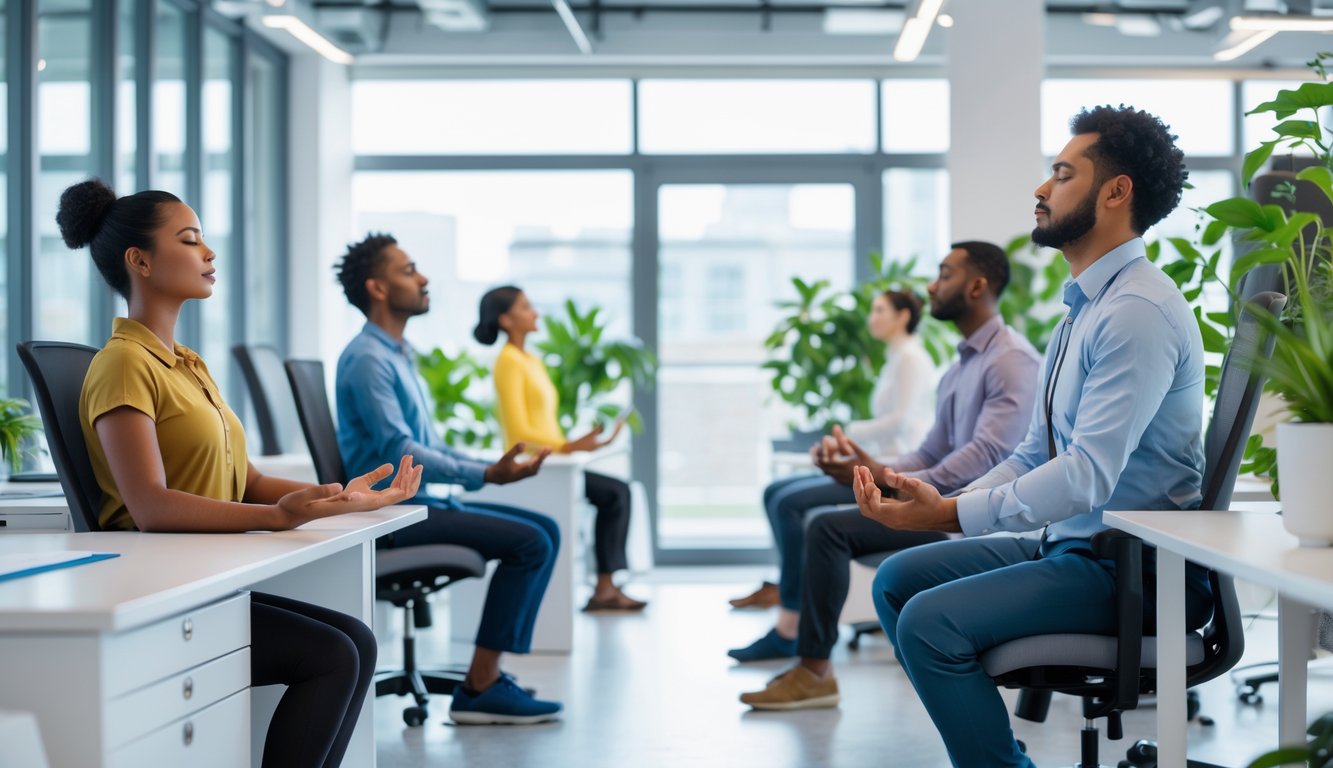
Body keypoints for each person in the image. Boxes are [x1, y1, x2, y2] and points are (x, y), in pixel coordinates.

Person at [855, 105, 1210, 767]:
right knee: (898, 580)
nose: (1041, 190)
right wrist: (942, 506)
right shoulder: (1084, 307)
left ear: (1114, 191)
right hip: (1075, 549)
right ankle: (998, 756)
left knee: (929, 623)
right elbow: (1033, 452)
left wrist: (954, 511)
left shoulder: (1135, 312)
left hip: (1135, 573)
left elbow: (1084, 475)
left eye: (1061, 173)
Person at [59, 179, 423, 768]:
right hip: (161, 590)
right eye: (190, 240)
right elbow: (150, 506)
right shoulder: (123, 363)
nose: (208, 254)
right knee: (333, 654)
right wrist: (278, 518)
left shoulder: (186, 363)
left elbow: (246, 478)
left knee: (354, 641)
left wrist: (341, 497)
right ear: (140, 261)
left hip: (208, 574)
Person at [731, 242, 1042, 694]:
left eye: (944, 275)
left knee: (824, 527)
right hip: (937, 500)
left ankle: (814, 671)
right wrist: (874, 470)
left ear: (977, 286)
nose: (932, 286)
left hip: (963, 518)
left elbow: (986, 455)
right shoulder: (961, 367)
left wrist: (894, 482)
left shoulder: (1011, 360)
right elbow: (933, 448)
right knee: (810, 514)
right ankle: (809, 661)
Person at [334, 233, 564, 725]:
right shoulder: (369, 359)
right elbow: (402, 454)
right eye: (409, 270)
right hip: (393, 515)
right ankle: (480, 687)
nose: (423, 279)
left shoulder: (397, 354)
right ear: (377, 288)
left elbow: (428, 448)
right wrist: (483, 474)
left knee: (546, 531)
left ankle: (485, 680)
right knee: (533, 544)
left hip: (422, 502)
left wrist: (487, 471)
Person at [729, 288, 935, 611]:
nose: (872, 318)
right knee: (774, 492)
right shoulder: (896, 358)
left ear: (903, 316)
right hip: (879, 459)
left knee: (788, 504)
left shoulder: (910, 357)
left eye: (880, 310)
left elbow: (901, 420)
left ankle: (792, 603)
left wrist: (850, 431)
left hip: (892, 467)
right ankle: (786, 585)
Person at [475, 286, 647, 612]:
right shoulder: (508, 361)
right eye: (526, 307)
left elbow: (543, 424)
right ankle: (605, 588)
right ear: (506, 320)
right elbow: (519, 432)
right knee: (615, 494)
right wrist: (567, 447)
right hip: (534, 465)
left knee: (617, 494)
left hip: (555, 461)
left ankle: (606, 587)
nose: (535, 312)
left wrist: (583, 443)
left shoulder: (531, 360)